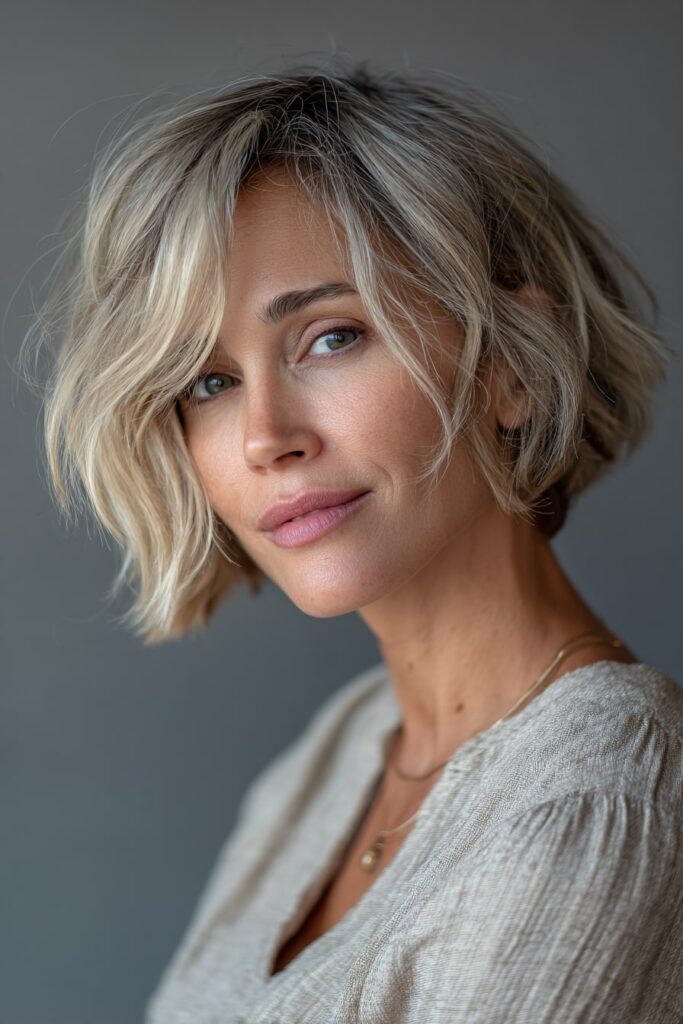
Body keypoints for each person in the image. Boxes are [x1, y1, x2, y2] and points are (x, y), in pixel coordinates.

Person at [23, 59, 682, 1023]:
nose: (263, 437)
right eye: (208, 382)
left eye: (329, 337)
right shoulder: (333, 756)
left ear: (511, 369)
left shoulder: (592, 805)